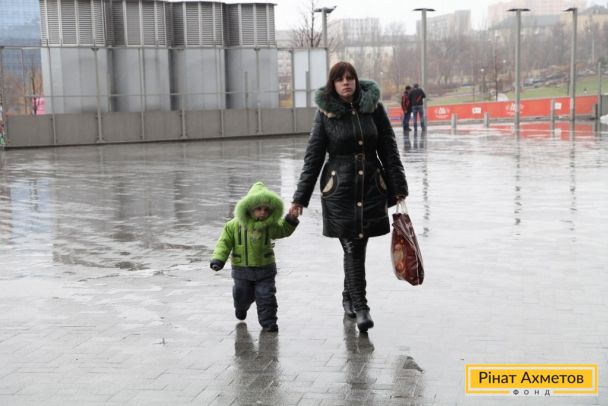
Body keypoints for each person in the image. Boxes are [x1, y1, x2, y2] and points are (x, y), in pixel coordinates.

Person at [290, 61, 408, 332]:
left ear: (356, 80)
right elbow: (313, 158)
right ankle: (362, 307)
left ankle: (348, 297)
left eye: (350, 77)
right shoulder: (325, 114)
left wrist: (398, 188)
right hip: (339, 191)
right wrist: (299, 199)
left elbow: (389, 149)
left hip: (370, 188)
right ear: (333, 84)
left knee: (358, 246)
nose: (346, 82)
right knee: (353, 246)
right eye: (340, 79)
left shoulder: (374, 108)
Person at [210, 181, 299, 333]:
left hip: (265, 269)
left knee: (266, 296)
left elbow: (283, 230)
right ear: (249, 208)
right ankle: (241, 307)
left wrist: (291, 218)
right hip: (242, 270)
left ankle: (269, 322)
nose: (263, 213)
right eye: (258, 209)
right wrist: (218, 259)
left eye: (266, 209)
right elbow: (224, 243)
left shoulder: (269, 225)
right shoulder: (233, 226)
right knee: (242, 294)